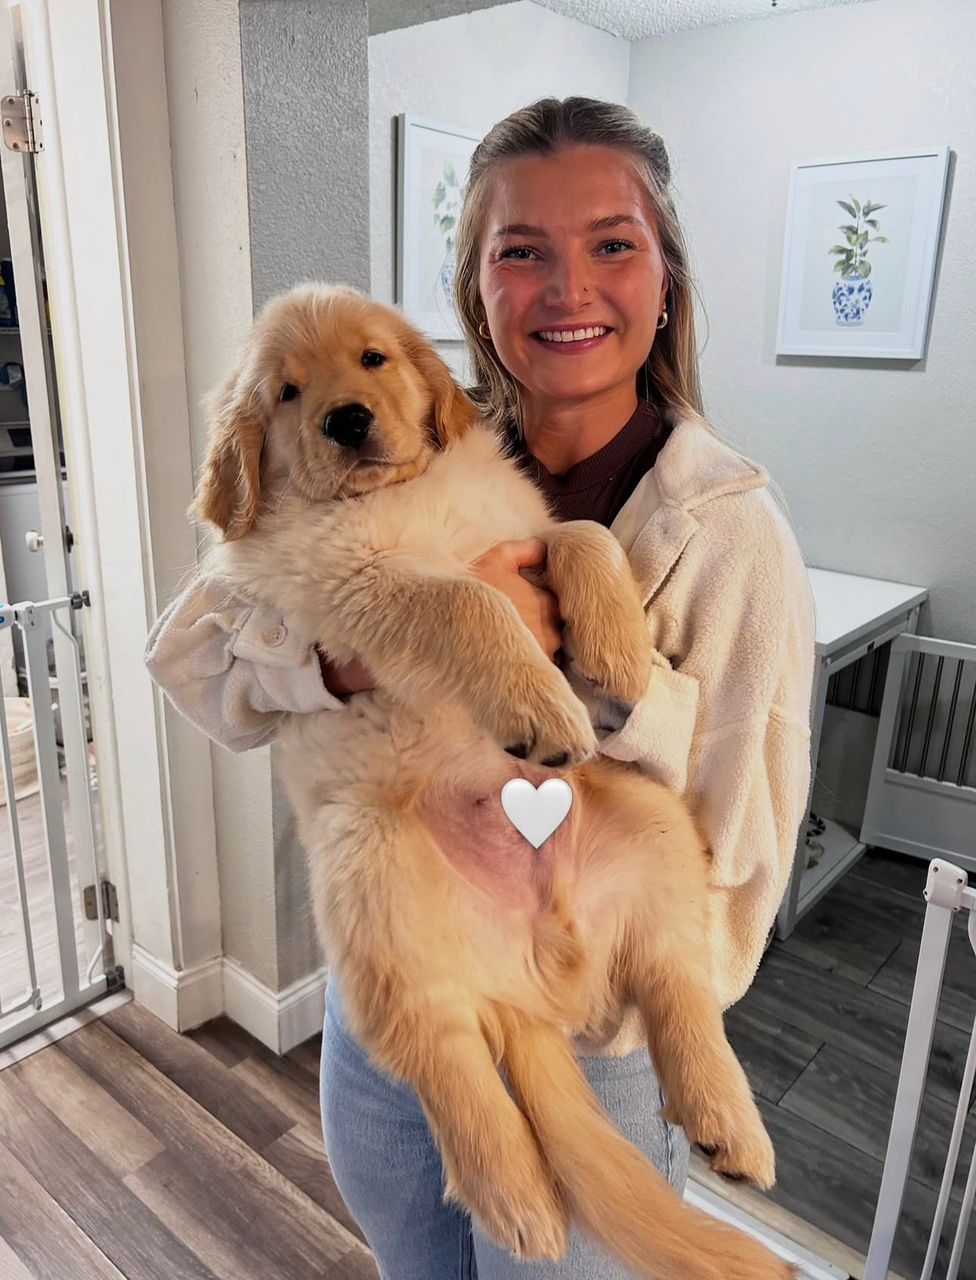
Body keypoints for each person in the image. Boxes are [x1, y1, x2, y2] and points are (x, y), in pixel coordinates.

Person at [146, 97, 817, 1279]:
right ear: (473, 287)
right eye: (520, 251)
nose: (568, 287)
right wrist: (346, 657)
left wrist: (569, 658)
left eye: (613, 242)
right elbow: (196, 663)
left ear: (666, 275)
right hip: (396, 984)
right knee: (414, 1255)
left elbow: (740, 832)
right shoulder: (430, 435)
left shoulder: (731, 527)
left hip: (596, 1016)